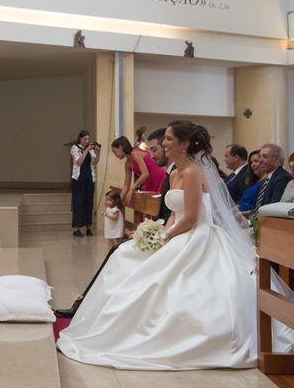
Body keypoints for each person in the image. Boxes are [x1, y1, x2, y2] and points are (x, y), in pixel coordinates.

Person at [58, 120, 266, 370]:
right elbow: (174, 214)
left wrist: (164, 237)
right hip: (176, 231)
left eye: (168, 139)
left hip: (194, 234)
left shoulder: (192, 172)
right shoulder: (175, 172)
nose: (164, 144)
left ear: (185, 143)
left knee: (150, 272)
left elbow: (190, 217)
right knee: (123, 253)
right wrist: (152, 231)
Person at [111, 136, 166, 204]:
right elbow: (126, 186)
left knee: (156, 205)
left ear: (120, 147)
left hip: (158, 178)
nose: (115, 155)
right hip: (148, 181)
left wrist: (132, 189)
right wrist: (117, 203)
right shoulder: (127, 164)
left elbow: (145, 174)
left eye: (115, 152)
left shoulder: (135, 153)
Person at [70, 130, 100, 237]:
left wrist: (97, 152)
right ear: (80, 138)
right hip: (79, 179)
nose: (87, 141)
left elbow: (95, 162)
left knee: (89, 201)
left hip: (89, 178)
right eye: (85, 139)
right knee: (79, 202)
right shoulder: (75, 148)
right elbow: (79, 162)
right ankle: (76, 228)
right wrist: (86, 150)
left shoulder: (90, 150)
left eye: (88, 139)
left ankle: (88, 227)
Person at [147, 127, 174, 223]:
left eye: (154, 150)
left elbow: (172, 213)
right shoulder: (169, 174)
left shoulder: (177, 173)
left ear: (165, 147)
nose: (151, 156)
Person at [255, 143, 293, 211]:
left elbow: (273, 208)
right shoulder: (267, 179)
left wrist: (251, 221)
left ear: (277, 160)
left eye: (265, 156)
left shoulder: (282, 178)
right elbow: (259, 207)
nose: (260, 160)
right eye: (259, 157)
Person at [237, 150, 264, 217]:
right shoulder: (252, 182)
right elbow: (242, 202)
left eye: (256, 161)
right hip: (239, 216)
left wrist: (241, 214)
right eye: (251, 162)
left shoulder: (266, 182)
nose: (253, 165)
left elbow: (259, 207)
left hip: (250, 218)